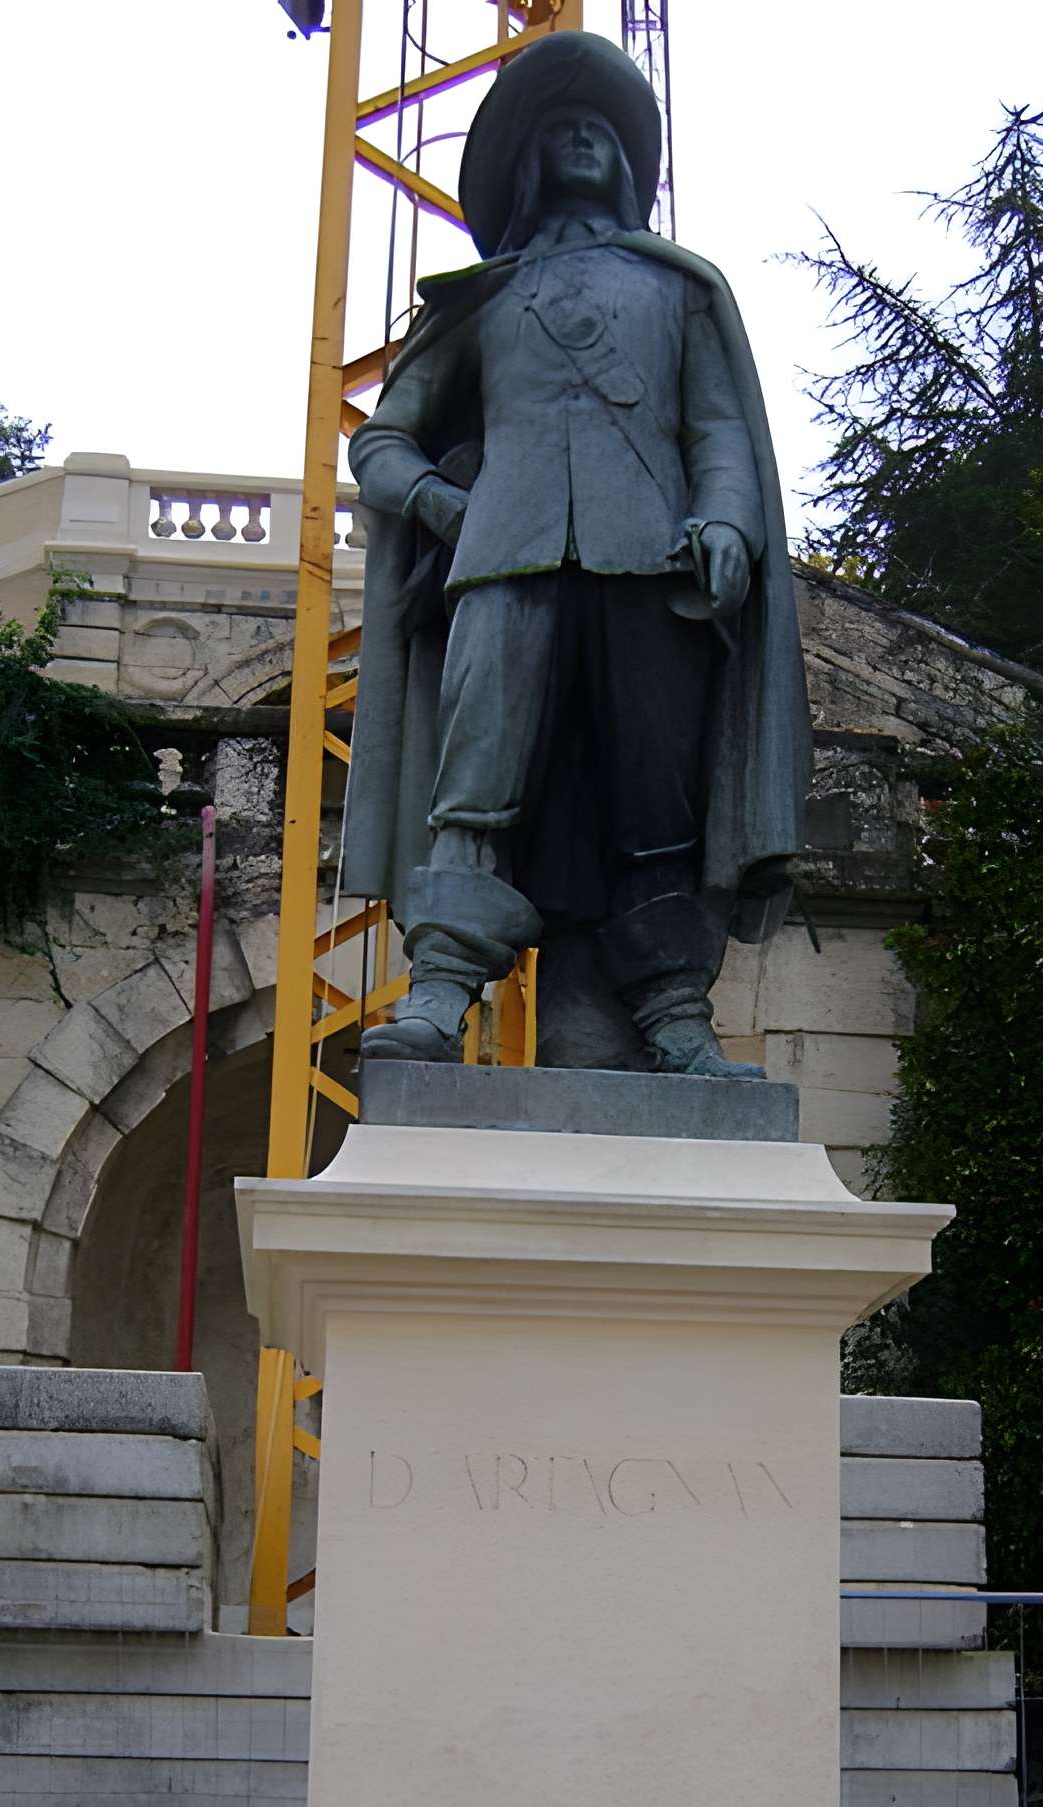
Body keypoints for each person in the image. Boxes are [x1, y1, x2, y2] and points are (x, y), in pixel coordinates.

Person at [343, 31, 809, 1075]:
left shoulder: (678, 289)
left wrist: (727, 524)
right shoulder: (484, 297)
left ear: (631, 163)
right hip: (502, 560)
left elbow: (718, 432)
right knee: (475, 786)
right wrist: (437, 503)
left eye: (602, 129)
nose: (586, 140)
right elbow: (382, 440)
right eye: (565, 129)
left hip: (652, 566)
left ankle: (677, 1014)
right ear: (531, 159)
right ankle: (441, 991)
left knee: (656, 801)